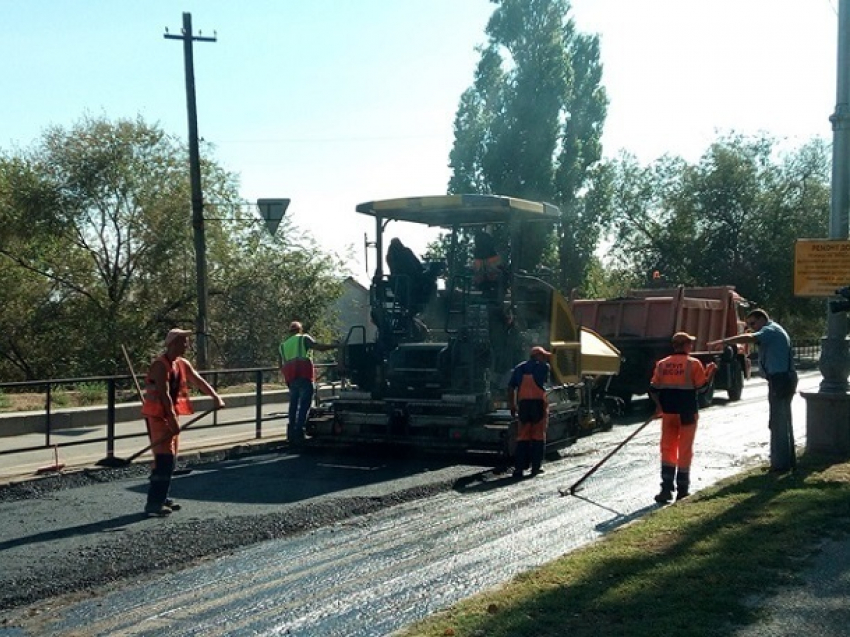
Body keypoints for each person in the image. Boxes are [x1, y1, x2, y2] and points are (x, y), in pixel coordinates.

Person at [140, 328, 226, 517]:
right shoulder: (160, 366)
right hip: (158, 417)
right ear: (172, 344)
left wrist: (215, 397)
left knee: (171, 459)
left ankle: (162, 497)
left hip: (170, 416)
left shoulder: (182, 363)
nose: (187, 345)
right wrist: (171, 420)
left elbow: (198, 380)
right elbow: (164, 396)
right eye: (183, 341)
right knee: (164, 460)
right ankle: (153, 503)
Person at [708, 309, 796, 472]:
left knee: (779, 422)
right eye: (748, 325)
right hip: (780, 379)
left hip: (781, 379)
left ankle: (781, 465)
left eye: (753, 323)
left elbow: (750, 338)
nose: (751, 327)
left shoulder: (770, 330)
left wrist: (726, 341)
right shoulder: (772, 330)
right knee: (778, 421)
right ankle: (783, 461)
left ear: (763, 319)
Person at [649, 332, 717, 504]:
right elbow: (702, 390)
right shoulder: (693, 364)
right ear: (686, 345)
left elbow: (653, 389)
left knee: (667, 449)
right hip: (687, 413)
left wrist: (659, 407)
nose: (691, 347)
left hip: (669, 413)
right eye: (690, 344)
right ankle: (682, 490)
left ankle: (665, 489)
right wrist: (710, 374)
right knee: (684, 450)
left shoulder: (662, 364)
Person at [279, 321, 338, 445]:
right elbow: (318, 347)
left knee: (293, 405)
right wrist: (334, 346)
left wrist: (288, 376)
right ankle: (299, 432)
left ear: (290, 331)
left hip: (291, 378)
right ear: (300, 330)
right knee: (304, 405)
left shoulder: (283, 345)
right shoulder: (303, 338)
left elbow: (281, 365)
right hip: (304, 375)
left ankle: (291, 432)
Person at [507, 346, 551, 478]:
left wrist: (512, 405)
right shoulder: (544, 367)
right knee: (538, 436)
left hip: (524, 406)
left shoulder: (519, 368)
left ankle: (519, 469)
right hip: (538, 405)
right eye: (543, 356)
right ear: (538, 356)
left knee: (523, 437)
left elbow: (510, 387)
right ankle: (535, 468)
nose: (544, 358)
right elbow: (544, 382)